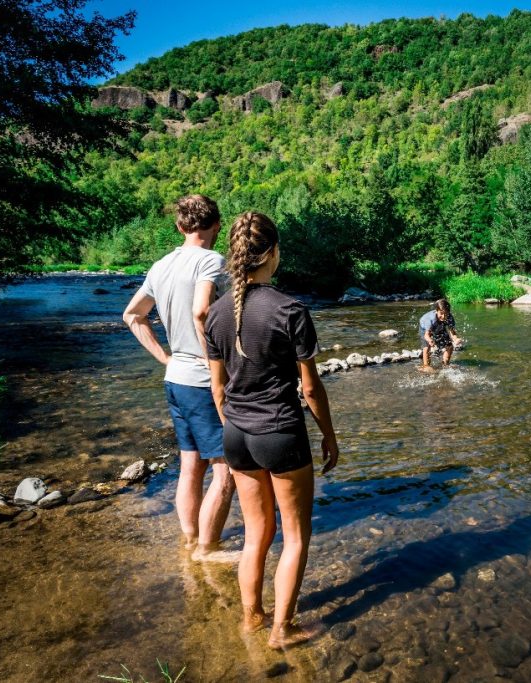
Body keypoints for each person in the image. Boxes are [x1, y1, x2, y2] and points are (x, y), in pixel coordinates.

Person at [204, 211, 339, 649]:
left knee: (256, 534)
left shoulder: (216, 313)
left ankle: (252, 619)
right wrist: (330, 436)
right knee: (296, 535)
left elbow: (218, 387)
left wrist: (235, 426)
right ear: (273, 253)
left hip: (237, 436)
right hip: (279, 432)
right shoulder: (291, 310)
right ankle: (282, 630)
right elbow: (311, 389)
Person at [123, 194, 236, 559]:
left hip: (176, 379)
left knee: (190, 466)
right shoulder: (212, 260)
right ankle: (207, 548)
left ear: (179, 226)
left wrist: (166, 358)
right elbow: (201, 310)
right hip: (204, 382)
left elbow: (132, 316)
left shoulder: (161, 265)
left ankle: (189, 541)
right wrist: (212, 362)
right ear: (216, 225)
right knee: (225, 473)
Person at [419, 299, 463, 371]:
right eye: (441, 313)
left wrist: (456, 339)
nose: (444, 316)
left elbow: (452, 332)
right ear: (436, 311)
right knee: (427, 347)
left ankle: (445, 363)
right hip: (424, 328)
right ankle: (426, 366)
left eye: (446, 313)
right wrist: (430, 340)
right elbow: (426, 335)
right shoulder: (430, 319)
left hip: (439, 324)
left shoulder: (449, 317)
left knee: (449, 346)